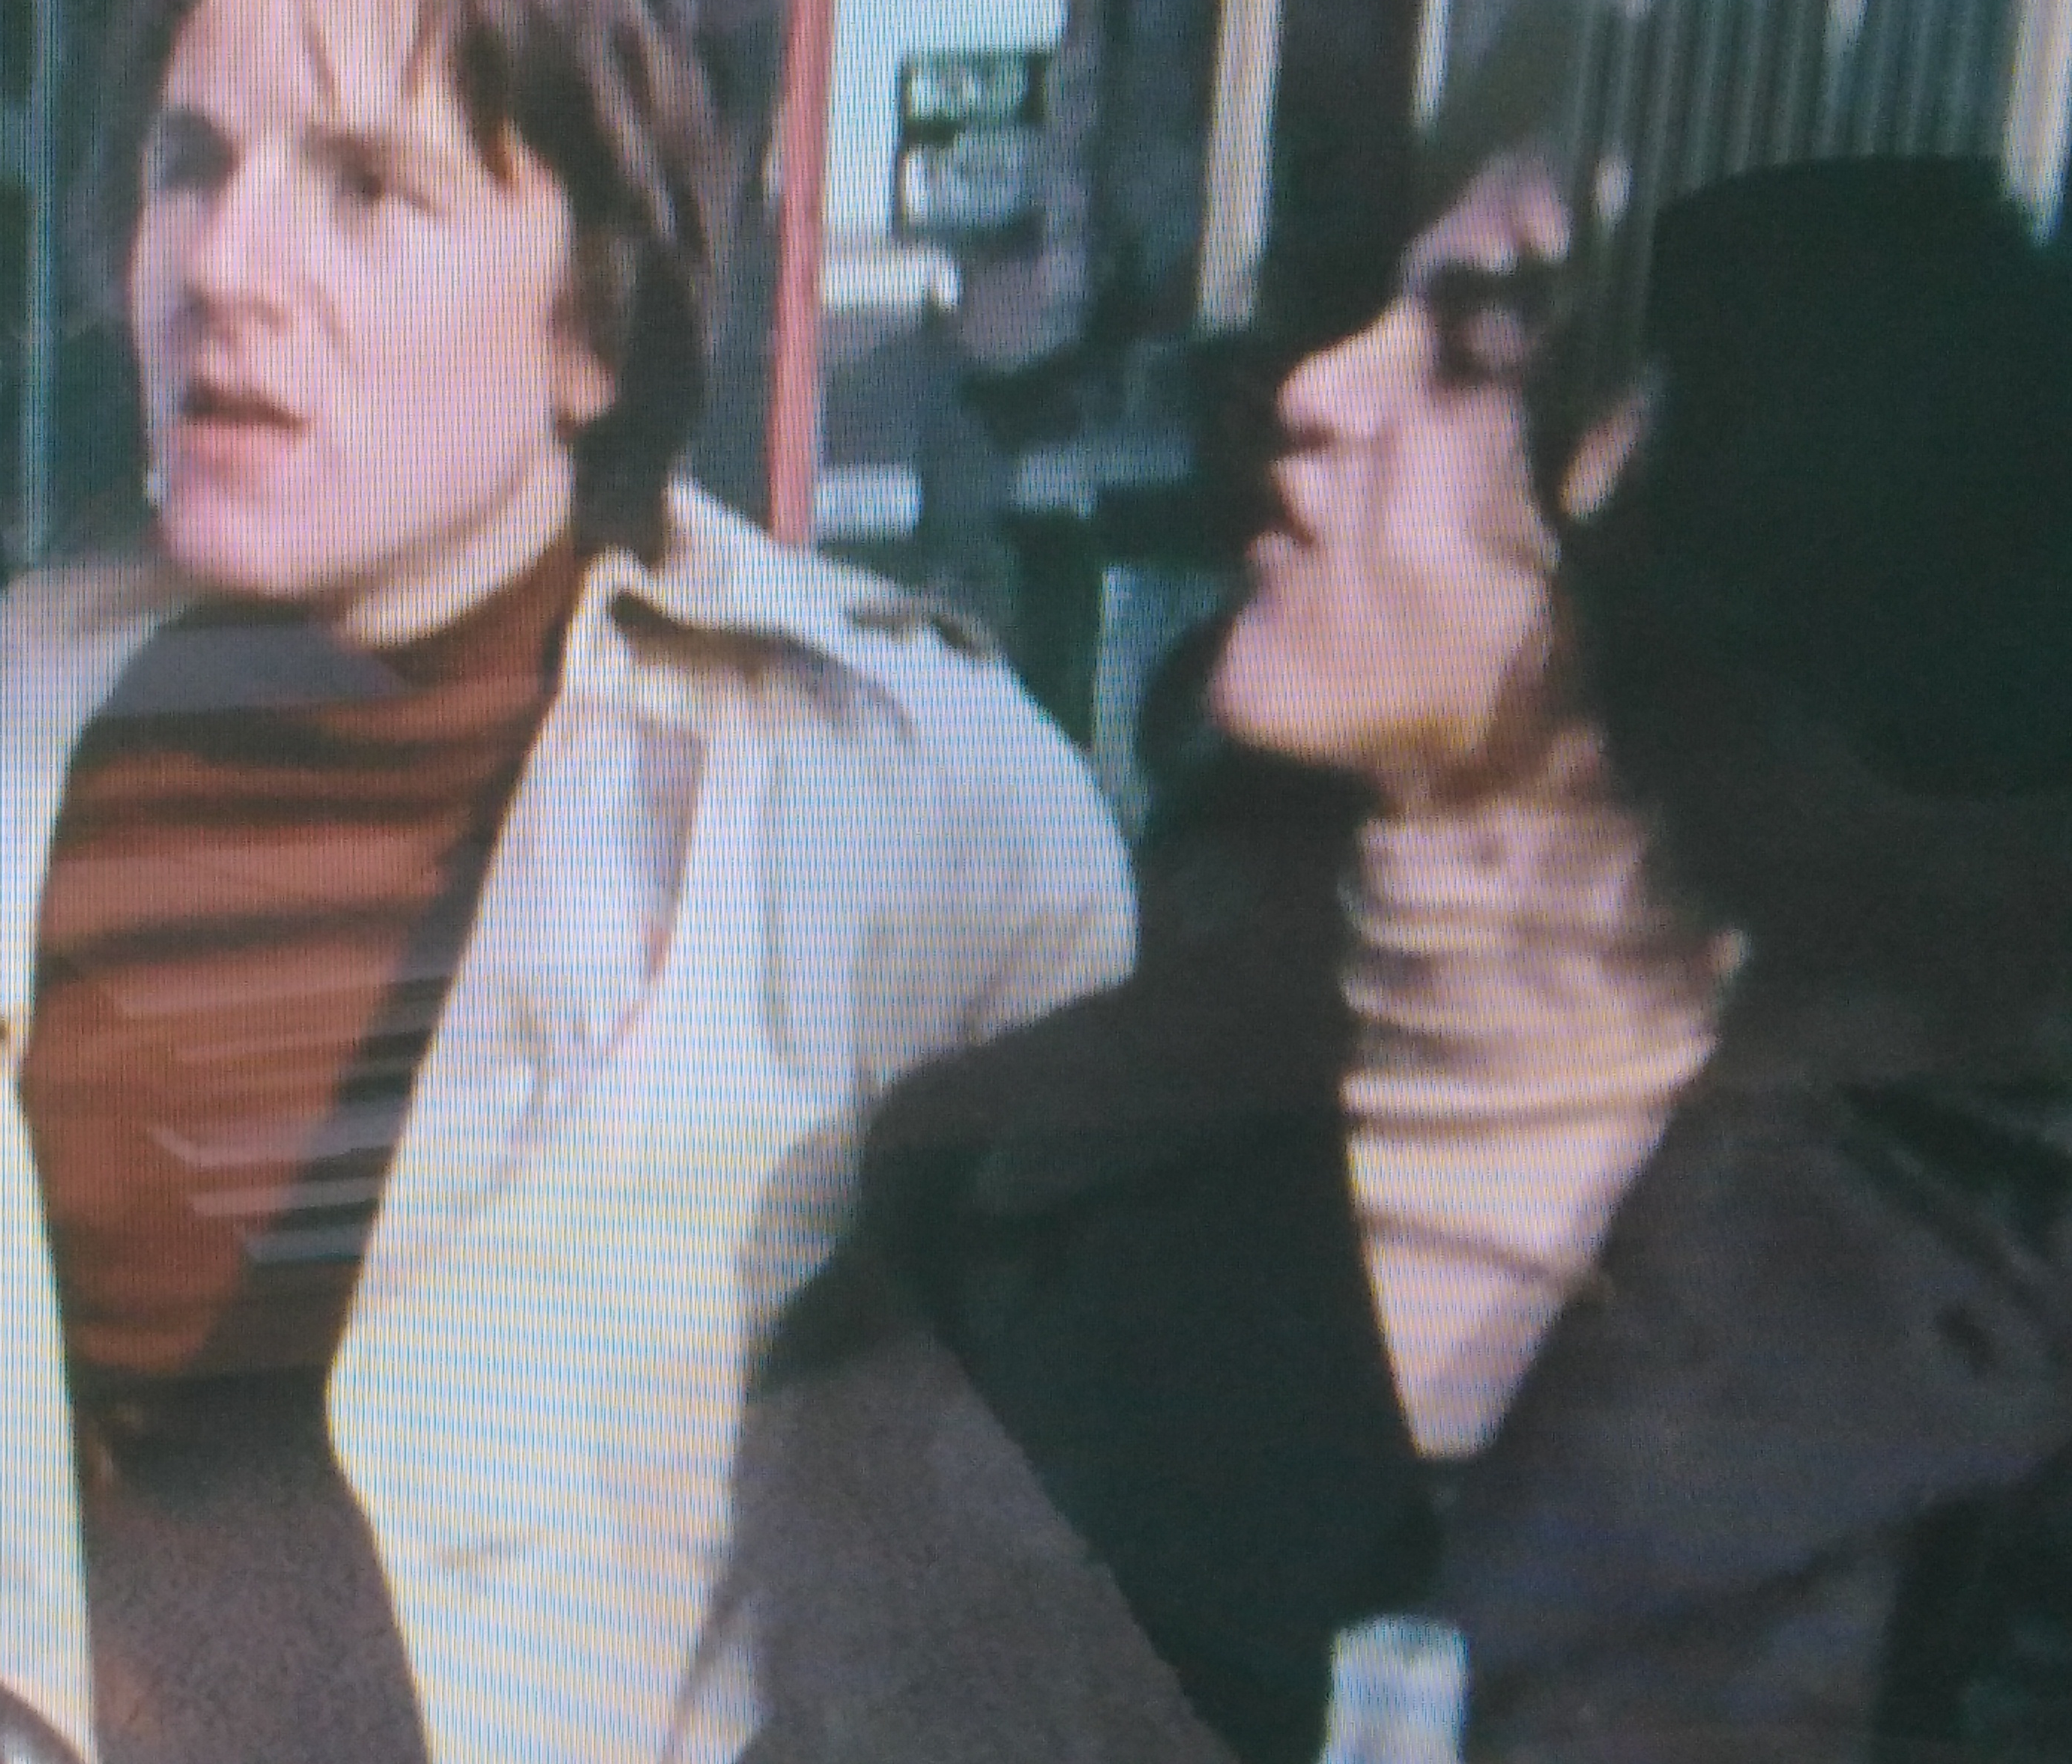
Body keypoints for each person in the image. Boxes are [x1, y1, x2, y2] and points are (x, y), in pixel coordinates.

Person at [0, 0, 1139, 1764]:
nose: (223, 267)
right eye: (188, 167)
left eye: (367, 190)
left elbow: (1066, 1589)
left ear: (593, 326)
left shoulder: (906, 804)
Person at [737, 149, 2072, 1763]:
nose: (1318, 392)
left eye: (1479, 354)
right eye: (1364, 314)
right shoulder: (995, 1187)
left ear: (1756, 480)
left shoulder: (1996, 1258)